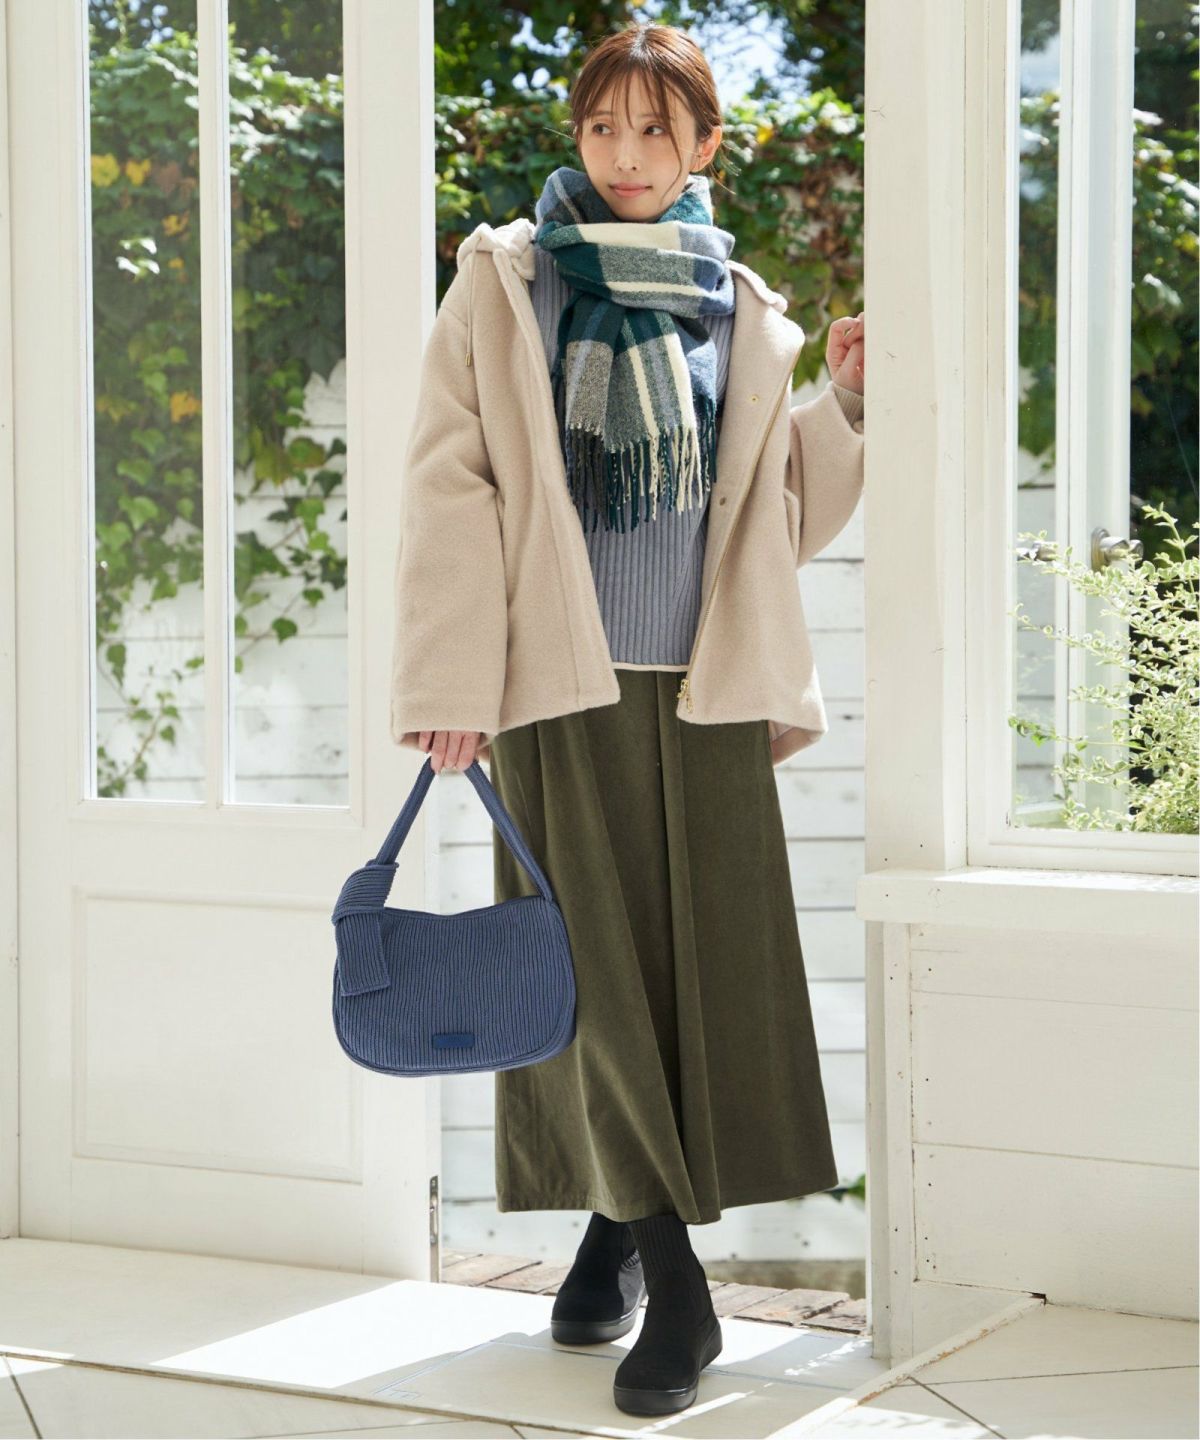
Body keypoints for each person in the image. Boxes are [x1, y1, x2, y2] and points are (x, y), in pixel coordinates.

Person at [389, 21, 865, 1419]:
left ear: (705, 145)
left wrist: (846, 403)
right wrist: (450, 685)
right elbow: (450, 485)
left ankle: (607, 1247)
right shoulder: (509, 280)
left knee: (688, 979)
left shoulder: (737, 304)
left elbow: (774, 513)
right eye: (605, 126)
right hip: (557, 686)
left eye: (658, 130)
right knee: (586, 973)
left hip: (706, 687)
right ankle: (683, 1287)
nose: (628, 155)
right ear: (579, 134)